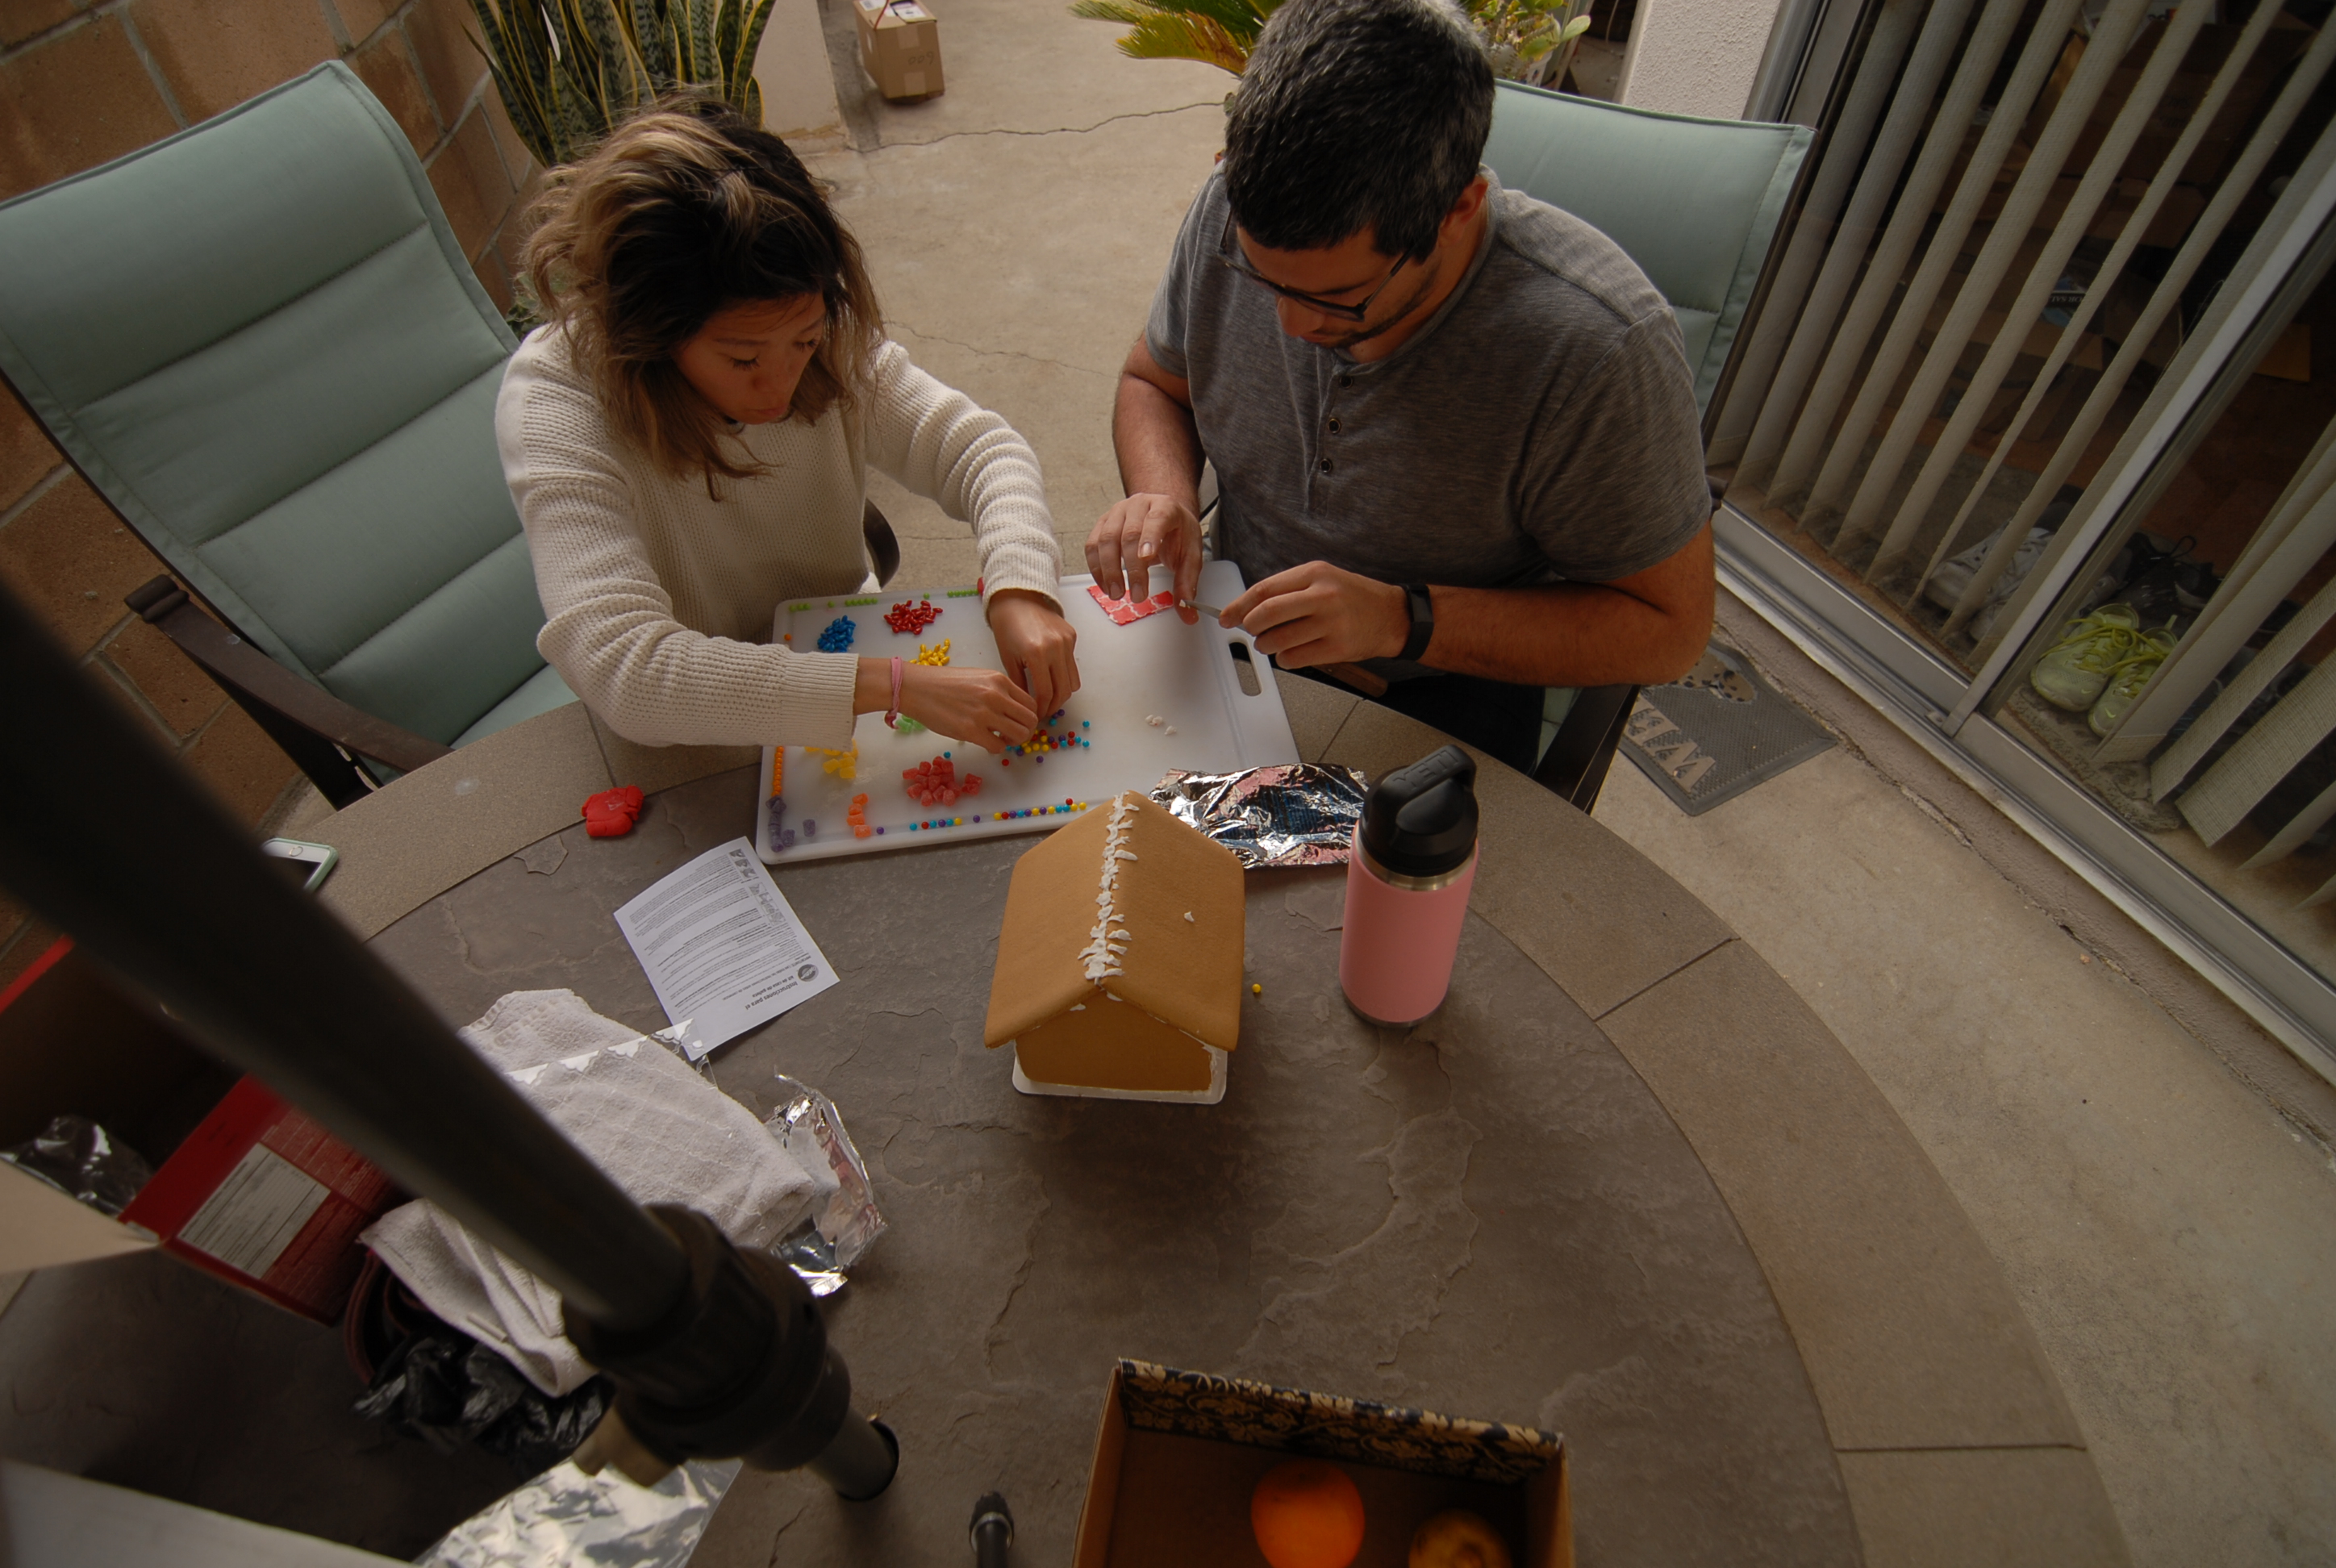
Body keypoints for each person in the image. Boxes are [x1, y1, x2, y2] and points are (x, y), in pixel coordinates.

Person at [1087, 0, 1713, 773]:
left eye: (1336, 298)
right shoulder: (1231, 209)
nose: (1287, 323)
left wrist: (1402, 621)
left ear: (1458, 212)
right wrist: (1167, 498)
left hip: (1438, 679)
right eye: (1261, 276)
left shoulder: (1597, 350)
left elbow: (1671, 630)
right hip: (1228, 630)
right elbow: (1153, 381)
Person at [499, 103, 1078, 756]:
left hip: (840, 654)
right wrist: (888, 685)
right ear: (650, 337)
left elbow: (983, 451)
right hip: (697, 724)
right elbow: (625, 671)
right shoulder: (556, 403)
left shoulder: (823, 337)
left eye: (804, 340)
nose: (780, 386)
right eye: (743, 360)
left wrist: (1021, 586)